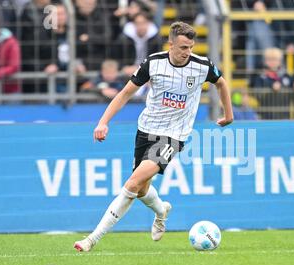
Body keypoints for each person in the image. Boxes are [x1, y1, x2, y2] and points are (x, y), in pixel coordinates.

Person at [74, 21, 233, 252]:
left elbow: (221, 83)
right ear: (171, 44)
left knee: (131, 183)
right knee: (140, 190)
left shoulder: (201, 66)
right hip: (146, 129)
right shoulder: (153, 63)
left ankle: (91, 239)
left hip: (173, 136)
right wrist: (103, 121)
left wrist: (228, 114)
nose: (187, 53)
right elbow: (125, 93)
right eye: (182, 48)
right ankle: (161, 211)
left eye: (190, 47)